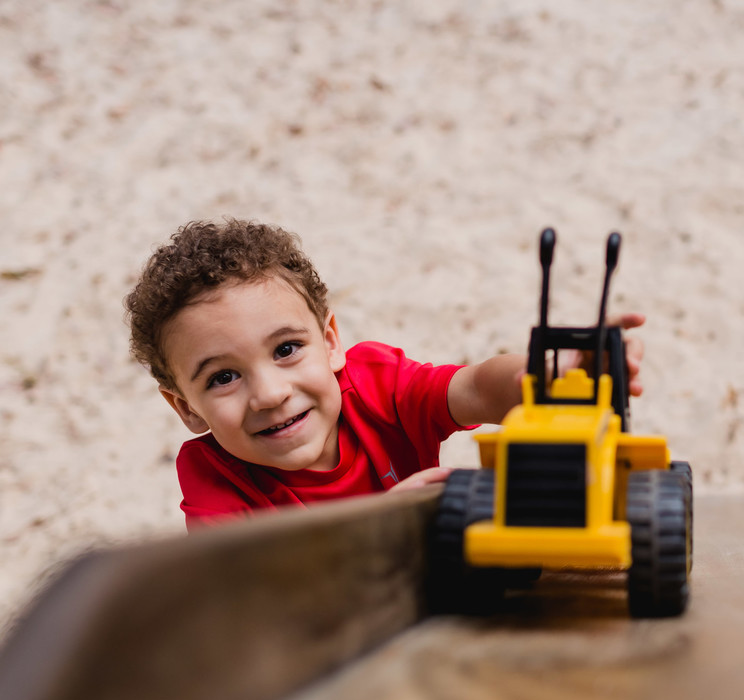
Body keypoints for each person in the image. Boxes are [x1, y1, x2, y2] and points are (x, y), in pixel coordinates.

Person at [124, 219, 645, 531]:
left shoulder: (376, 387)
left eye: (286, 349)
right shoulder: (216, 480)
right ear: (186, 407)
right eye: (222, 378)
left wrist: (552, 373)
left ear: (330, 343)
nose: (270, 393)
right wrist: (377, 528)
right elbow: (245, 595)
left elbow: (477, 388)